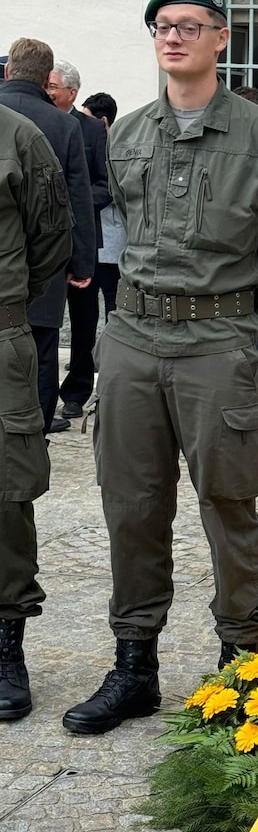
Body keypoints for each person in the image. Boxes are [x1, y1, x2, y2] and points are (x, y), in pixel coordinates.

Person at [61, 0, 258, 735]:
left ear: (220, 37)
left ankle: (241, 661)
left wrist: (230, 307)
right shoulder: (129, 132)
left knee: (229, 503)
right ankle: (134, 663)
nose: (173, 36)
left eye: (190, 25)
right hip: (133, 339)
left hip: (217, 343)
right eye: (162, 26)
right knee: (132, 506)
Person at [0, 103, 73, 720]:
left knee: (6, 496)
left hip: (0, 341)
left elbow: (53, 233)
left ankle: (6, 644)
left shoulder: (18, 138)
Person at [0, 39, 95, 436]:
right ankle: (34, 428)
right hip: (41, 258)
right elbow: (77, 196)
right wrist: (81, 262)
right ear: (46, 79)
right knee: (40, 345)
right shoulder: (63, 124)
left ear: (7, 71)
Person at [48, 61, 111, 422]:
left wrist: (73, 203)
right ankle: (42, 390)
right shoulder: (38, 122)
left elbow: (105, 183)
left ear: (72, 92)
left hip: (84, 239)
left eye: (53, 85)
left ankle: (76, 391)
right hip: (45, 242)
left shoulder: (92, 130)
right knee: (45, 320)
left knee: (85, 319)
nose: (48, 90)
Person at [82, 93, 123, 319]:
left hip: (111, 241)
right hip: (100, 243)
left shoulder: (116, 149)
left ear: (103, 121)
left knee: (112, 304)